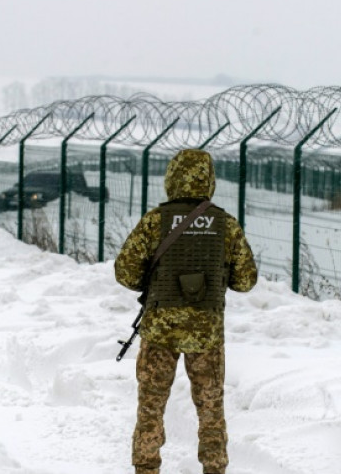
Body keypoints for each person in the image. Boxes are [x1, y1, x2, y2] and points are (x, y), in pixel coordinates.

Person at [114, 149, 258, 474]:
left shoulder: (156, 220)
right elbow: (246, 280)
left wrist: (152, 283)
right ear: (209, 180)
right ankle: (214, 468)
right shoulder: (225, 224)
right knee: (210, 410)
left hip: (159, 329)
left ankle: (146, 468)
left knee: (150, 407)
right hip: (206, 333)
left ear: (172, 178)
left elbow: (124, 271)